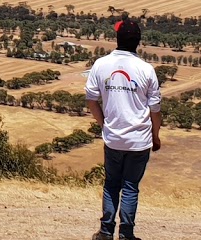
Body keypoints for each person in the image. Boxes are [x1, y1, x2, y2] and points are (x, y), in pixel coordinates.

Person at [85, 18, 162, 240]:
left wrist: (103, 124)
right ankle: (126, 234)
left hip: (113, 138)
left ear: (117, 39)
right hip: (139, 140)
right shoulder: (146, 69)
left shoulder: (101, 64)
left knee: (111, 184)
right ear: (138, 41)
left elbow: (91, 99)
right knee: (130, 187)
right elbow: (155, 110)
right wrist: (155, 136)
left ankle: (106, 231)